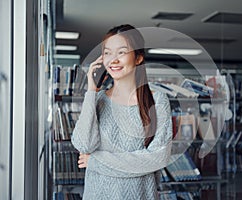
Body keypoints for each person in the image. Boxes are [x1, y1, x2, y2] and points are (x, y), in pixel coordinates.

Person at [71, 24, 173, 200]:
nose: (113, 60)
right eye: (107, 53)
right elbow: (83, 145)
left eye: (122, 52)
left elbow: (158, 157)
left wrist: (97, 161)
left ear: (138, 58)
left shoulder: (157, 100)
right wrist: (91, 90)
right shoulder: (97, 99)